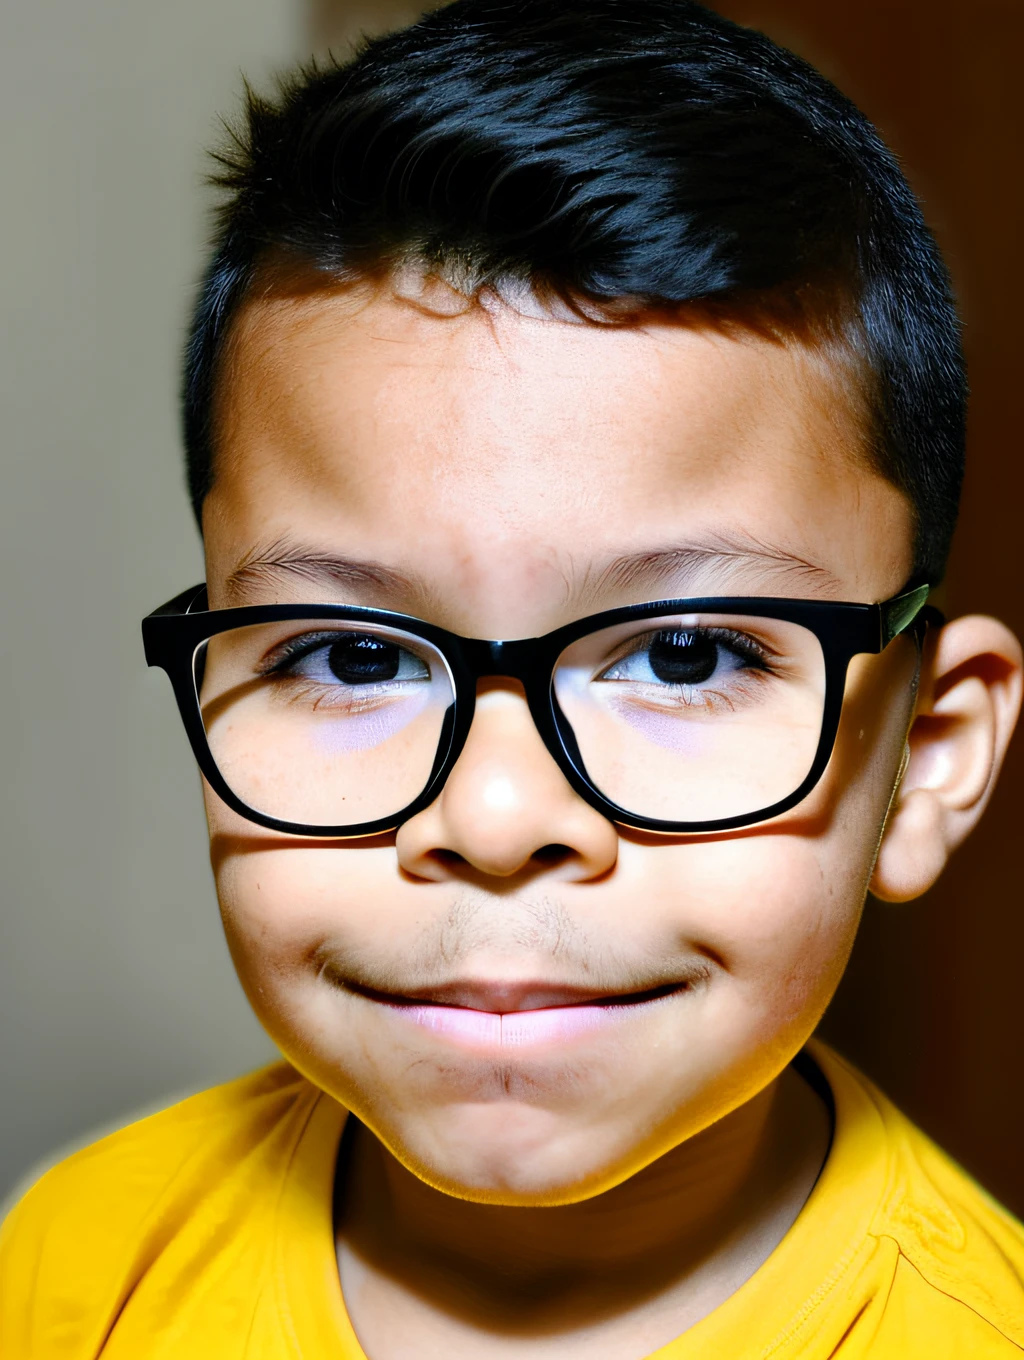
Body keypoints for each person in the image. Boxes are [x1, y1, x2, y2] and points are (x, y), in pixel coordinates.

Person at [2, 1, 1022, 1354]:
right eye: (352, 655)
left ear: (929, 753)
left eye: (683, 652)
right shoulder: (77, 1264)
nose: (493, 820)